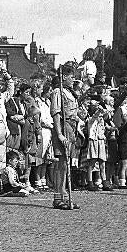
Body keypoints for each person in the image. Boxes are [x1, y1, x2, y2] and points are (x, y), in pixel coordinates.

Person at [49, 64, 79, 210]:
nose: (73, 79)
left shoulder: (69, 92)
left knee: (66, 164)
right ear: (64, 77)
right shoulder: (57, 91)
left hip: (71, 127)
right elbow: (56, 113)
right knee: (61, 164)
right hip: (63, 126)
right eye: (71, 77)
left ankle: (65, 196)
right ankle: (58, 197)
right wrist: (60, 134)